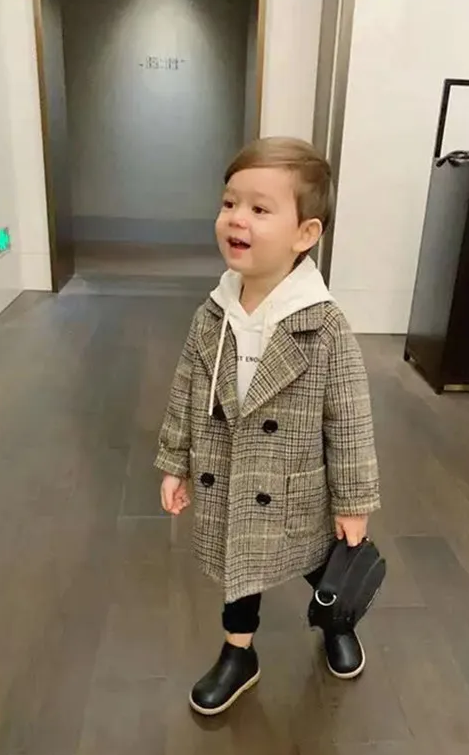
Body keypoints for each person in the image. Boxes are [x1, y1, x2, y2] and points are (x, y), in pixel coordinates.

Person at [155, 137, 380, 716]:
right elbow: (185, 392)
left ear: (305, 234)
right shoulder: (212, 314)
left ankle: (337, 618)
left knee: (317, 562)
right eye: (230, 203)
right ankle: (239, 651)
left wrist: (354, 502)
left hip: (294, 484)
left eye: (260, 209)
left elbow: (350, 420)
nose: (237, 218)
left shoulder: (325, 326)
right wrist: (175, 463)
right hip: (229, 472)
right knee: (240, 567)